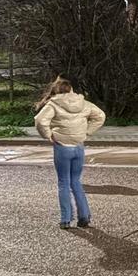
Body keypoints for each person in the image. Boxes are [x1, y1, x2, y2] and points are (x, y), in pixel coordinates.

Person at [34, 77, 107, 230]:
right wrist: (87, 132)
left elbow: (40, 121)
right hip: (79, 147)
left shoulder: (53, 104)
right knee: (76, 182)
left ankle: (66, 219)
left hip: (62, 147)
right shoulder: (83, 103)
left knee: (63, 183)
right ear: (71, 89)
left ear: (56, 90)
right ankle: (84, 216)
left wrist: (48, 135)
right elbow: (100, 116)